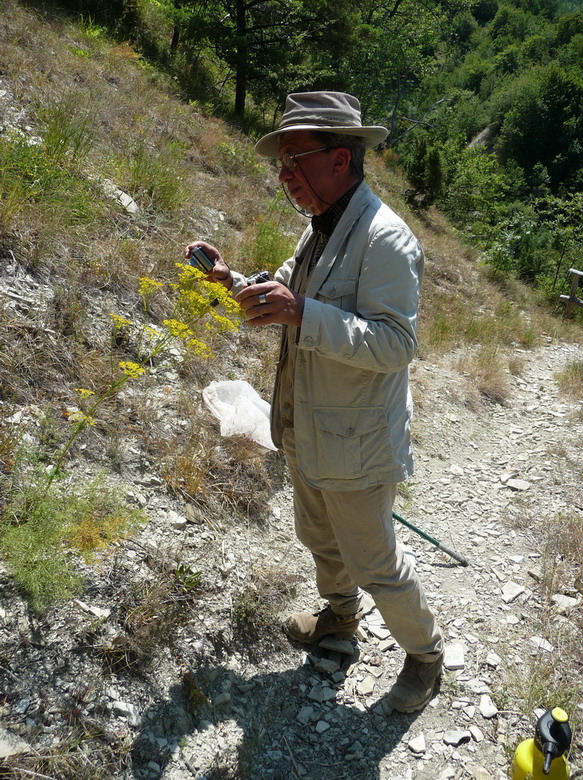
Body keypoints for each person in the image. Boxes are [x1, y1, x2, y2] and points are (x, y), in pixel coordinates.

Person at [186, 91, 443, 713]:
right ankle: (339, 619)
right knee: (320, 538)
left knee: (375, 560)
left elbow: (396, 344)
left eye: (294, 160)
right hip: (306, 424)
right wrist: (230, 280)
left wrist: (304, 313)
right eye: (281, 163)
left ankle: (425, 656)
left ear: (339, 158)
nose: (283, 175)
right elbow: (287, 292)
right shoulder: (321, 226)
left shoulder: (386, 239)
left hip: (358, 441)